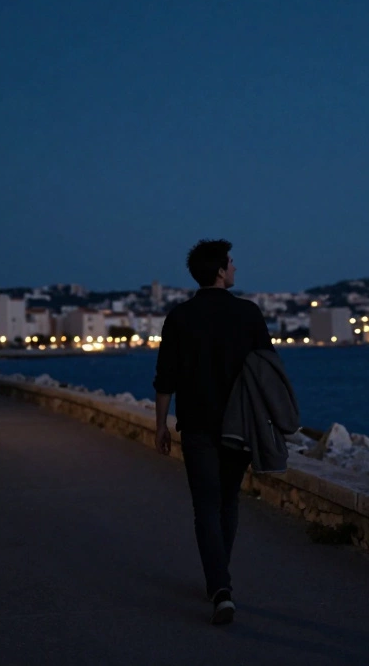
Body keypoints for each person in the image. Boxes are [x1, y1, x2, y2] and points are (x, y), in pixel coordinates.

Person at [153, 239, 274, 625]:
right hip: (238, 427)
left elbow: (165, 379)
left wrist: (160, 425)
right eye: (232, 264)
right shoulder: (249, 314)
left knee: (205, 505)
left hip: (197, 426)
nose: (236, 268)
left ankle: (219, 585)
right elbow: (268, 370)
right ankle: (221, 580)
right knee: (229, 502)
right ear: (221, 271)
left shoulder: (179, 317)